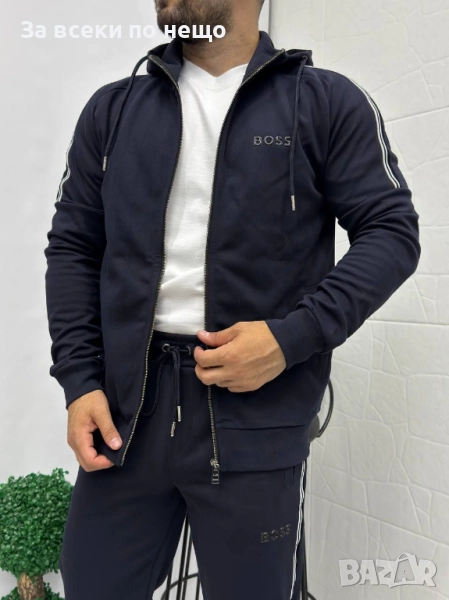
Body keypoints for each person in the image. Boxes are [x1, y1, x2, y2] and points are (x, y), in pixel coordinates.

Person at [43, 0, 421, 598]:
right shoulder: (113, 110)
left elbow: (392, 232)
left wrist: (289, 338)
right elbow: (72, 248)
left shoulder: (325, 101)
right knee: (92, 584)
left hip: (257, 419)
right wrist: (80, 381)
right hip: (125, 418)